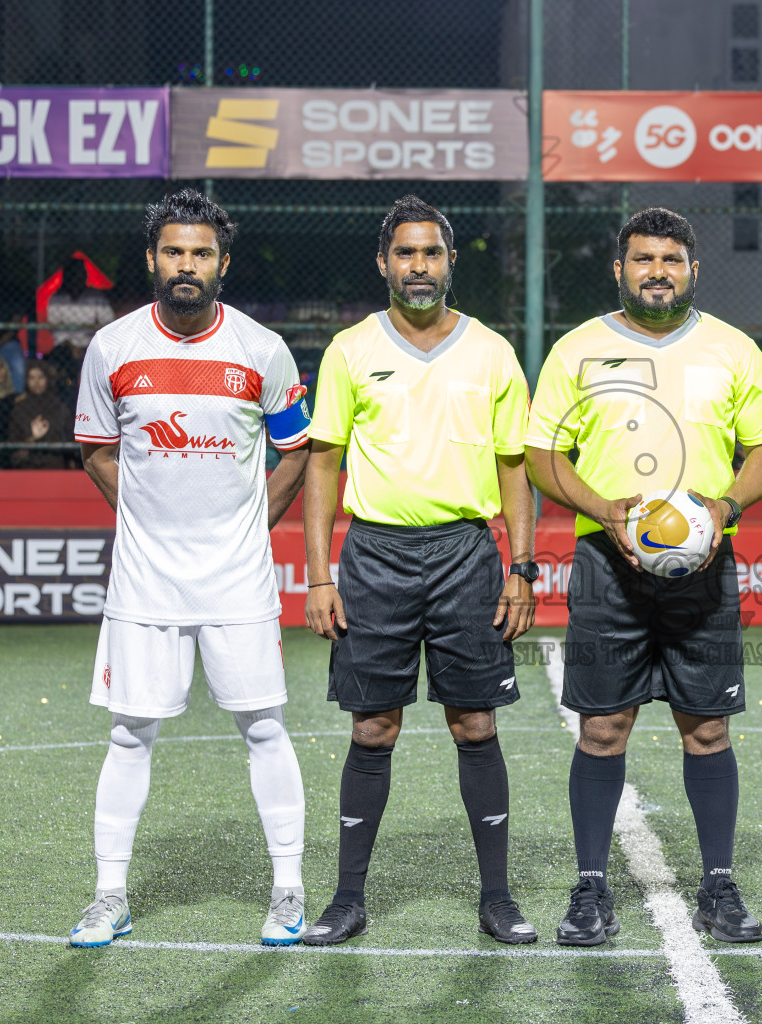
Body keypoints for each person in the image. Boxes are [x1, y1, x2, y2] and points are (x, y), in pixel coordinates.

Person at [525, 207, 762, 947]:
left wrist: (727, 504)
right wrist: (602, 509)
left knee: (707, 728)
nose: (658, 271)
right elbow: (544, 454)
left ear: (692, 269)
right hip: (608, 566)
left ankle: (719, 885)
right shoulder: (578, 350)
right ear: (620, 269)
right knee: (603, 728)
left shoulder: (732, 350)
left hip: (706, 566)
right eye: (643, 259)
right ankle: (590, 890)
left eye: (672, 259)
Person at [68, 189, 312, 949]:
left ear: (222, 264)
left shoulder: (261, 349)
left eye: (201, 253)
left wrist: (251, 526)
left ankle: (288, 889)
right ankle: (111, 895)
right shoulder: (111, 348)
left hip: (237, 576)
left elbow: (297, 449)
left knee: (265, 725)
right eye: (174, 251)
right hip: (144, 580)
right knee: (130, 733)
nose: (186, 265)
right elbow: (96, 448)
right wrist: (138, 516)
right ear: (152, 259)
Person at [300, 196, 540, 947]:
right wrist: (317, 574)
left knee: (475, 721)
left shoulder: (492, 352)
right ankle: (346, 899)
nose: (418, 266)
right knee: (373, 725)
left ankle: (497, 898)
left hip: (467, 555)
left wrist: (522, 567)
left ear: (450, 261)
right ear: (384, 263)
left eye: (431, 253)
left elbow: (514, 467)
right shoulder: (348, 351)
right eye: (405, 254)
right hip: (374, 557)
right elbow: (323, 463)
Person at [46, 257, 115, 399]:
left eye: (81, 274)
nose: (78, 278)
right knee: (61, 360)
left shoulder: (96, 297)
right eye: (74, 274)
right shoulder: (57, 299)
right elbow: (56, 330)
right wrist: (72, 347)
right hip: (65, 348)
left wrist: (89, 345)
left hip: (92, 345)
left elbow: (108, 323)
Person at [9, 363, 73, 468]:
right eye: (32, 378)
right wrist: (33, 438)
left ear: (47, 379)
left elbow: (70, 440)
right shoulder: (19, 409)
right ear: (26, 381)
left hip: (56, 463)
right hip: (27, 465)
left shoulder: (60, 407)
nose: (36, 382)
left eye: (40, 377)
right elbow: (14, 451)